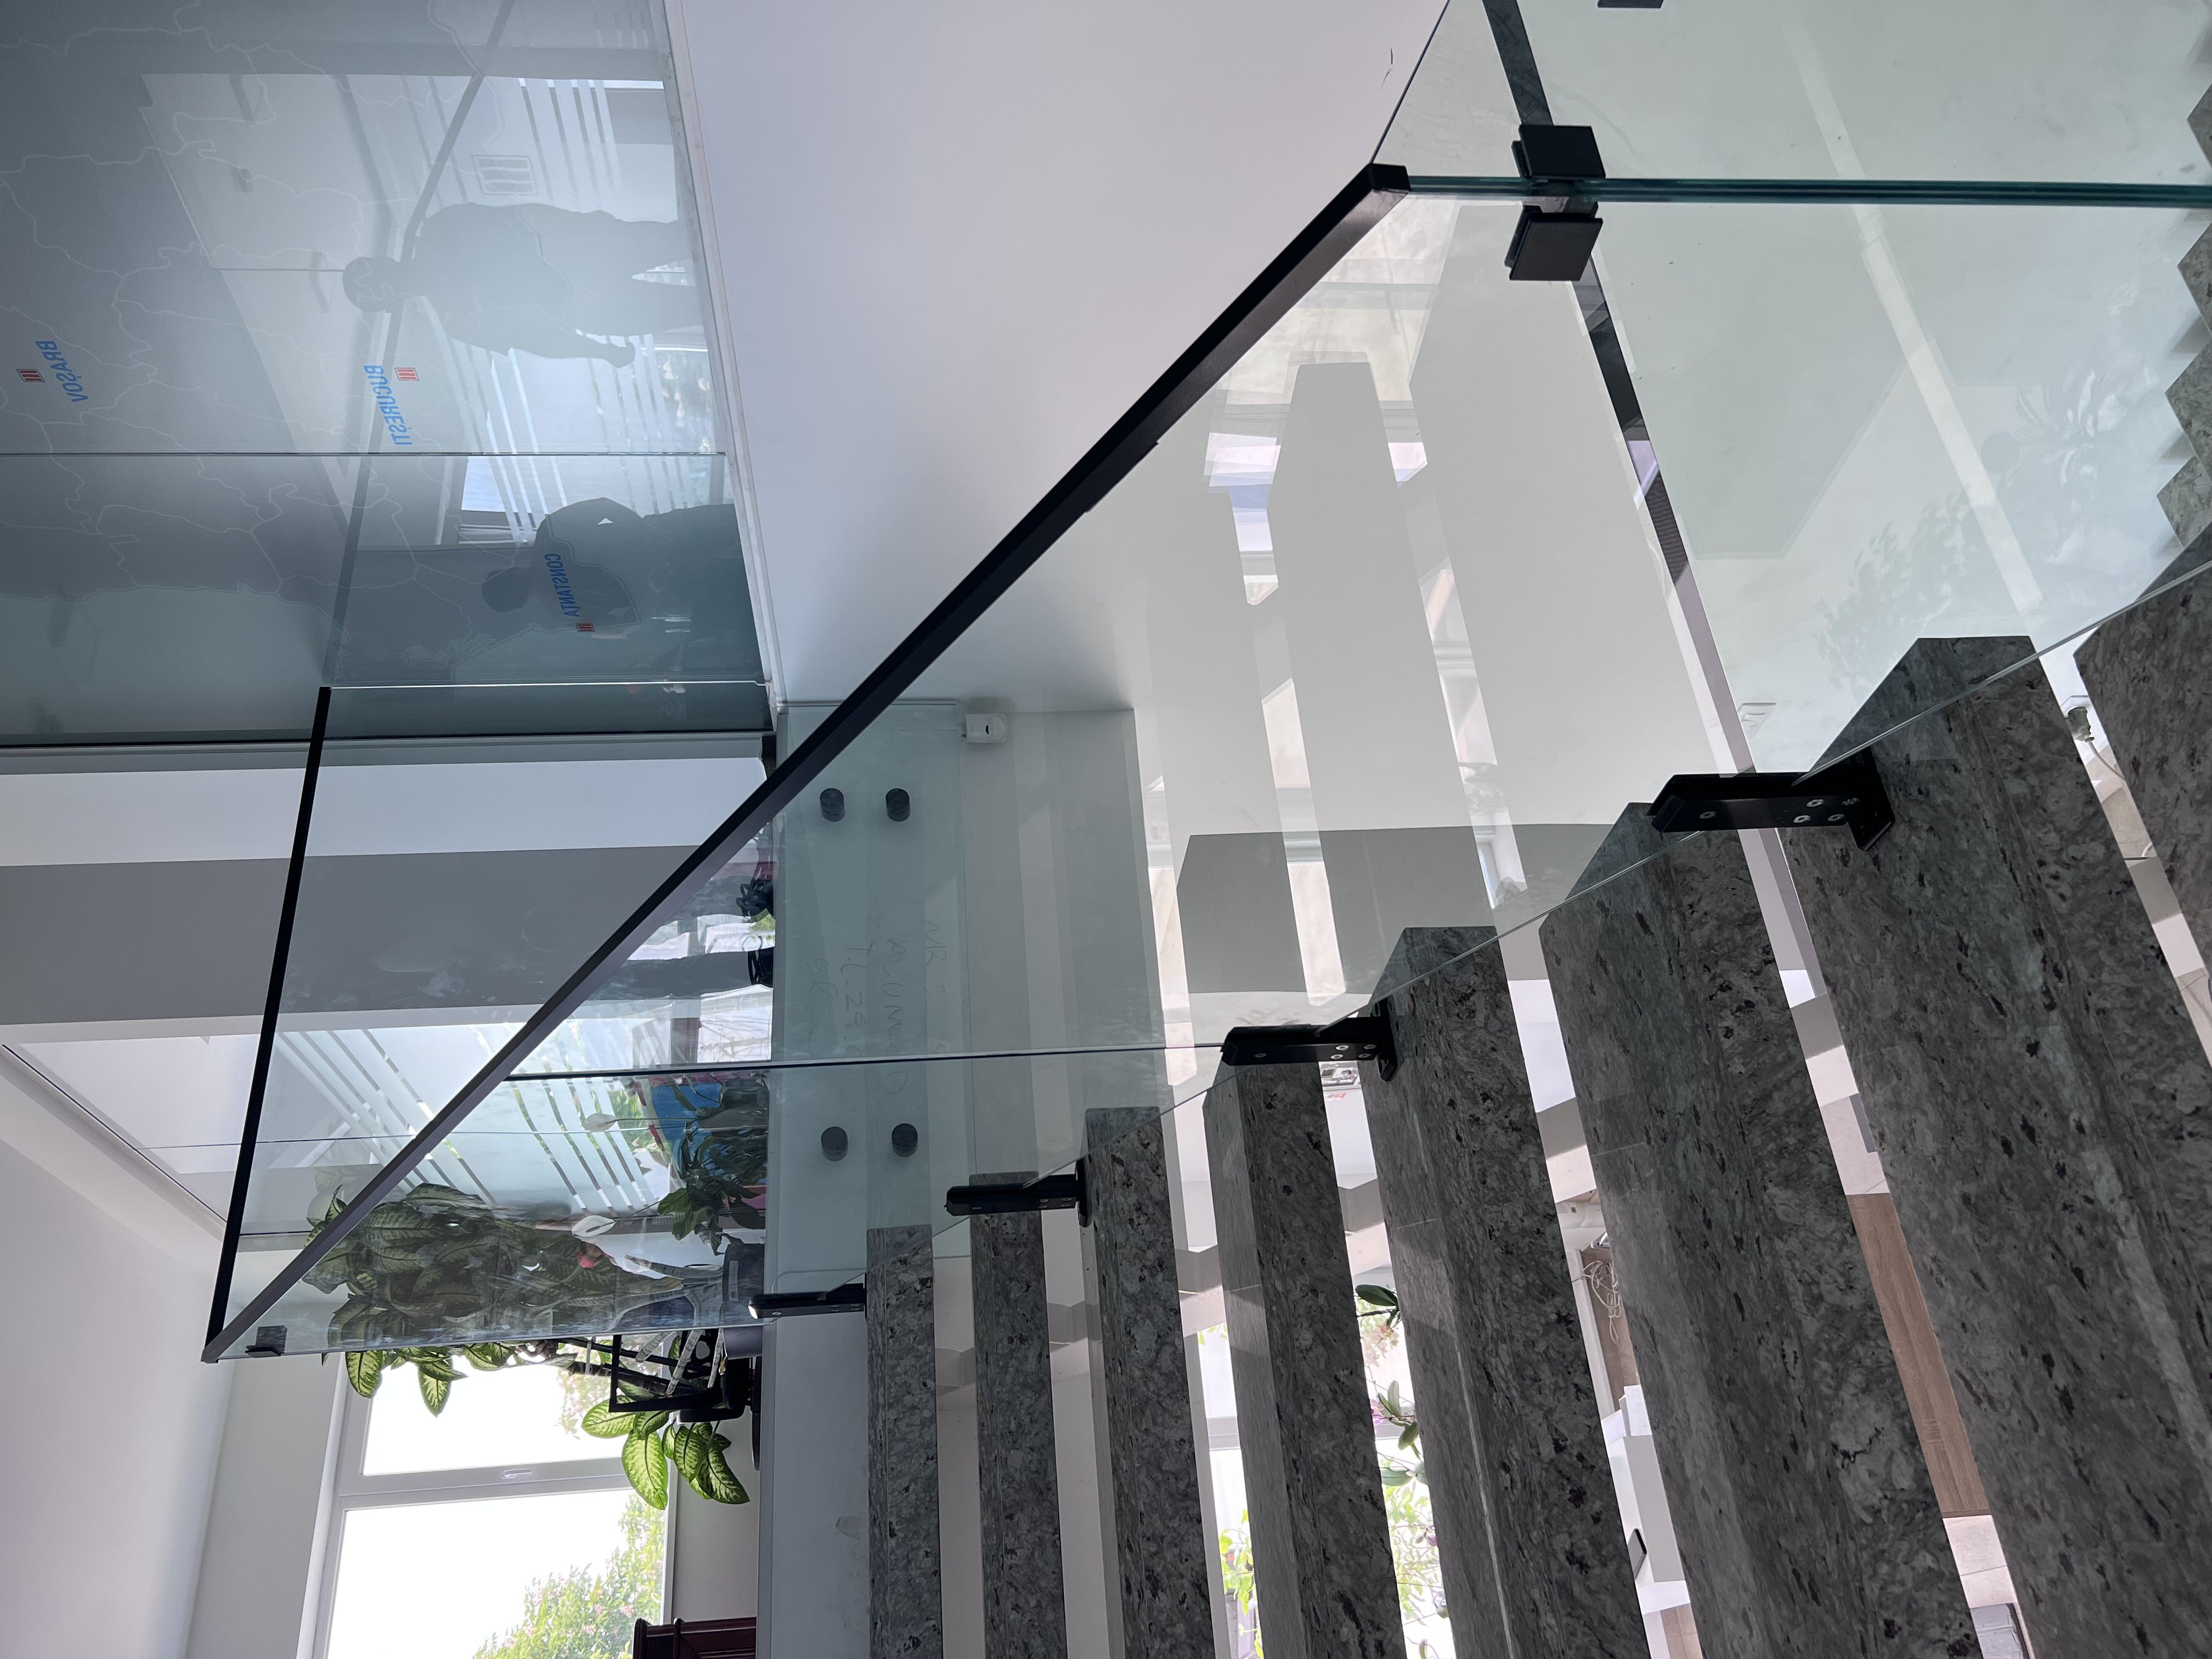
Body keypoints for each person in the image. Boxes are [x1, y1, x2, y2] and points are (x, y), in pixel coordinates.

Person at [343, 204, 697, 363]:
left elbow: (523, 216)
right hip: (588, 289)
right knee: (698, 279)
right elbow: (542, 340)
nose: (397, 285)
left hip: (586, 265)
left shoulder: (457, 316)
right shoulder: (457, 317)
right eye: (385, 287)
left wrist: (604, 353)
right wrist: (601, 351)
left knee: (694, 249)